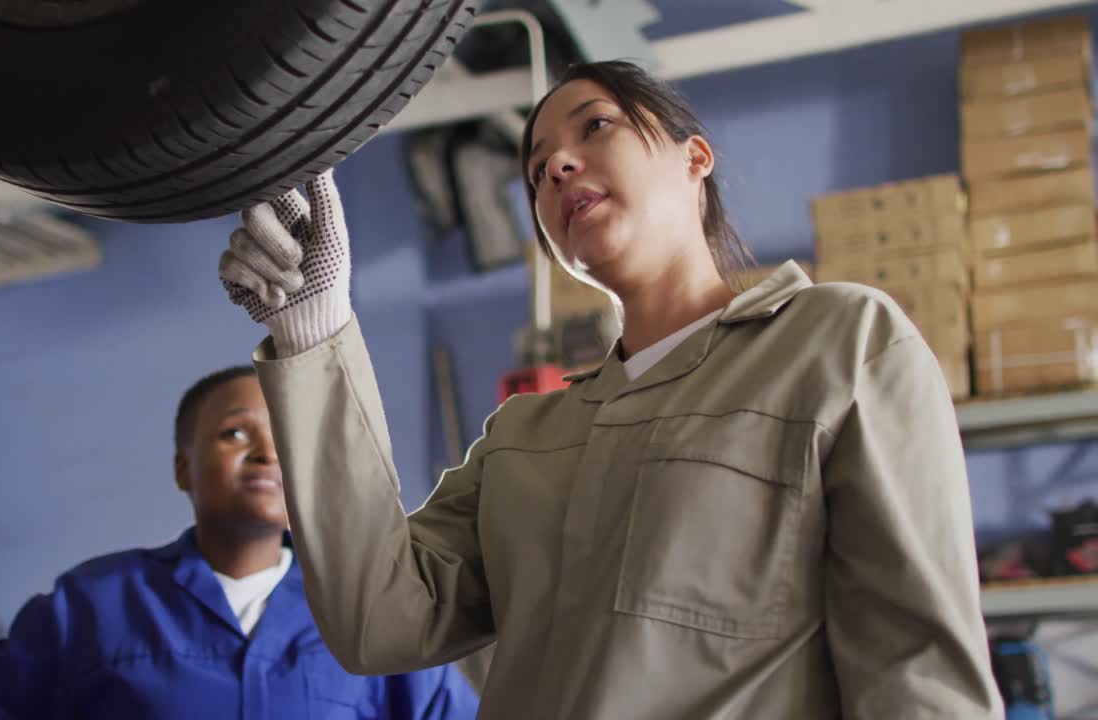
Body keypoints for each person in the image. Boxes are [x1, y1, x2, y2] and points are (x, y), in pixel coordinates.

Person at [218, 60, 1002, 718]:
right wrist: (314, 329)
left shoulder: (837, 344)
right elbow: (380, 621)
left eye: (595, 127)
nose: (558, 166)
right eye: (536, 171)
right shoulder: (523, 437)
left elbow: (919, 669)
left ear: (695, 158)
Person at [0, 366, 479, 719]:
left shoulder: (369, 609)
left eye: (286, 438)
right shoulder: (91, 606)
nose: (268, 454)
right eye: (235, 433)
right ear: (182, 467)